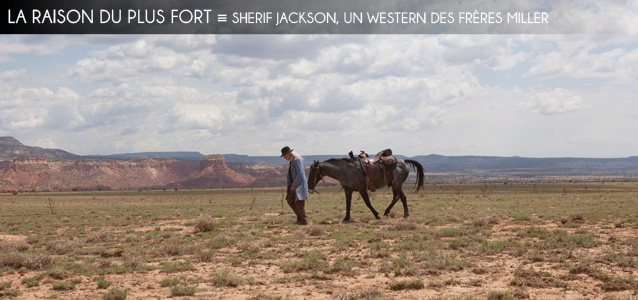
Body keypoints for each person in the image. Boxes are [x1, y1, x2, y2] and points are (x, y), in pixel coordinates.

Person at [281, 146, 308, 225]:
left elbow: (300, 173)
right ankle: (300, 218)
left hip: (298, 186)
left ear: (289, 153)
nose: (284, 157)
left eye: (285, 155)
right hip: (294, 186)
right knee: (290, 200)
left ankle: (303, 220)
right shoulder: (292, 161)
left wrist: (295, 184)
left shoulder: (296, 160)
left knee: (299, 203)